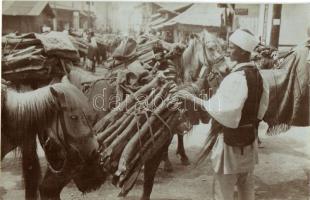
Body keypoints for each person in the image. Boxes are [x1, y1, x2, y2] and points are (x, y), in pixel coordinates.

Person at [174, 29, 269, 200]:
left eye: (232, 48)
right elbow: (262, 108)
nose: (228, 51)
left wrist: (193, 98)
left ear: (241, 51)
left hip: (231, 144)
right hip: (249, 141)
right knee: (246, 190)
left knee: (223, 192)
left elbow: (224, 110)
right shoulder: (258, 76)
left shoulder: (236, 78)